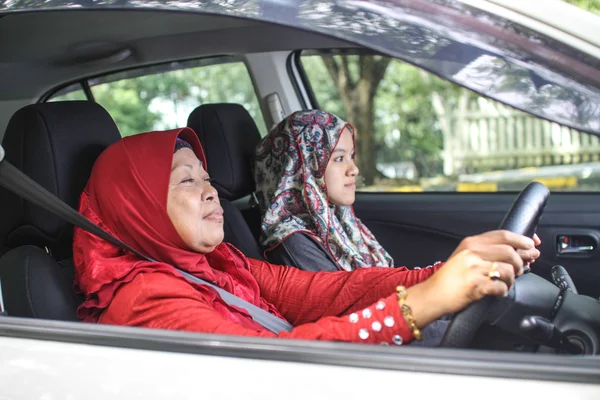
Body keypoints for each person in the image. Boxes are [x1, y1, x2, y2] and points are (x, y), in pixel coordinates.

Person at [72, 127, 538, 346]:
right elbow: (270, 365)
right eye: (186, 181)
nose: (211, 190)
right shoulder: (145, 298)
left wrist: (444, 272)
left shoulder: (215, 264)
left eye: (207, 176)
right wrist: (424, 303)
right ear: (138, 206)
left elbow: (324, 290)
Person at [254, 109, 541, 272]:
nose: (354, 169)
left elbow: (384, 282)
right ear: (302, 168)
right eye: (338, 158)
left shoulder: (337, 222)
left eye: (351, 157)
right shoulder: (294, 241)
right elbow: (359, 301)